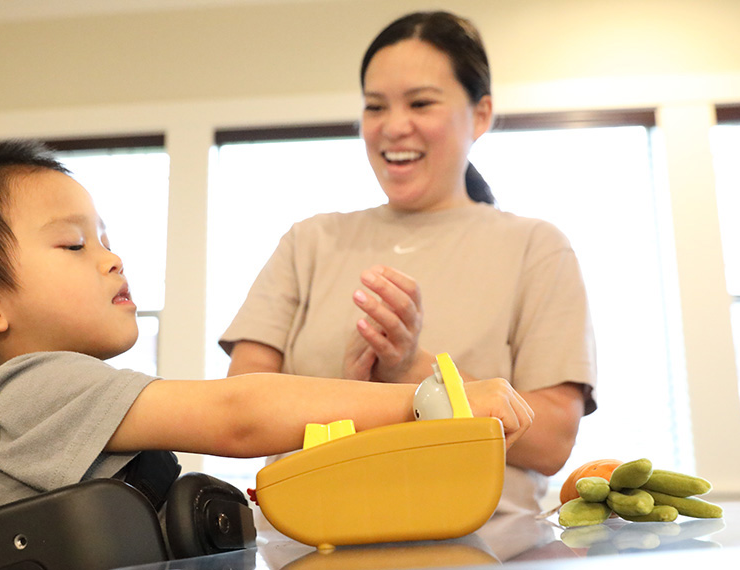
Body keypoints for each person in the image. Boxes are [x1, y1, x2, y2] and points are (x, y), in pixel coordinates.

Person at [0, 140, 527, 510]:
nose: (112, 259)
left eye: (106, 239)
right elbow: (238, 413)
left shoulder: (57, 396)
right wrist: (427, 400)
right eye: (74, 245)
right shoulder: (34, 389)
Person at [221, 11, 596, 515]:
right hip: (307, 535)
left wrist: (413, 371)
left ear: (481, 114)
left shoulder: (536, 247)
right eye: (375, 106)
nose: (394, 127)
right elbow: (241, 408)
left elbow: (552, 441)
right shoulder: (309, 241)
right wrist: (364, 393)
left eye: (421, 103)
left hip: (483, 542)